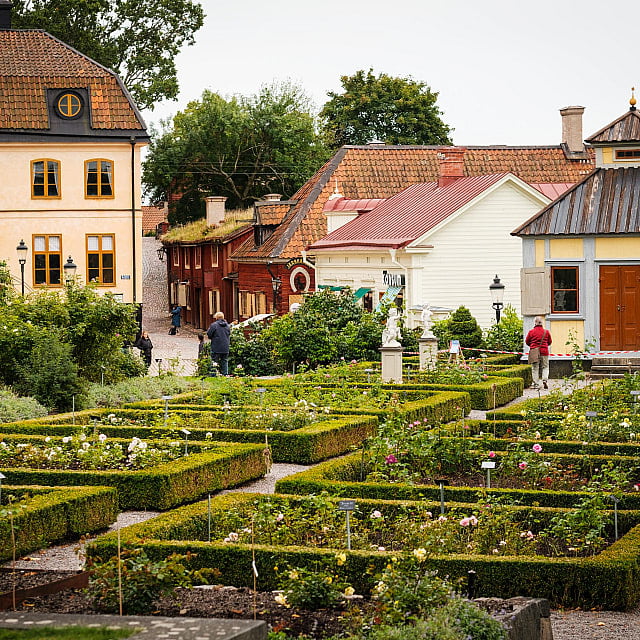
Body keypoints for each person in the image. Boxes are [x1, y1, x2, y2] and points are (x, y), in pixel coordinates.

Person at [525, 316, 552, 389]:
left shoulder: (531, 332)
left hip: (534, 351)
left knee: (535, 368)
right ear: (542, 322)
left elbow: (527, 341)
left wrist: (533, 346)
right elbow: (550, 342)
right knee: (545, 366)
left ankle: (536, 384)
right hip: (544, 351)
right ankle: (545, 380)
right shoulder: (546, 332)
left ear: (535, 322)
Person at [207, 311, 231, 375]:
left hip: (216, 346)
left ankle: (213, 374)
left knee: (214, 361)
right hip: (225, 347)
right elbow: (229, 334)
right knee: (224, 361)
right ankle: (225, 374)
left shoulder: (214, 325)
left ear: (216, 318)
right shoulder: (227, 326)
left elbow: (209, 334)